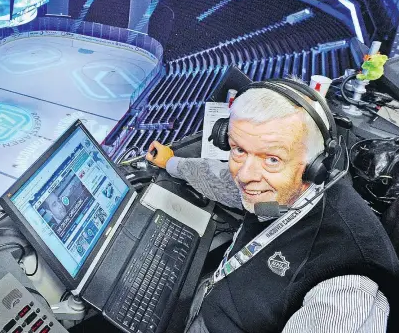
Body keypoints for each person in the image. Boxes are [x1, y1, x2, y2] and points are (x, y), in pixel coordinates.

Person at [144, 79, 399, 333]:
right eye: (238, 150)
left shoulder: (348, 291)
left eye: (272, 159)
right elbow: (223, 180)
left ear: (316, 165)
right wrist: (172, 164)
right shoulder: (281, 186)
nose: (244, 175)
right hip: (211, 301)